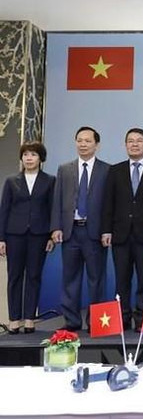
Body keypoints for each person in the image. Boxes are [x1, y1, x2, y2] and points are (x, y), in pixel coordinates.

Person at [101, 128, 143, 331]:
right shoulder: (115, 171)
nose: (134, 144)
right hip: (120, 235)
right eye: (130, 141)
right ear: (125, 145)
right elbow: (108, 204)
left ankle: (142, 319)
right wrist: (106, 231)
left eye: (139, 141)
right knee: (121, 280)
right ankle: (122, 318)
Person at [51, 126, 110, 331]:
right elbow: (57, 200)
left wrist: (107, 230)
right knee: (70, 279)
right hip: (70, 231)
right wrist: (56, 227)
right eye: (79, 140)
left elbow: (109, 205)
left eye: (87, 141)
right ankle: (72, 321)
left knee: (97, 280)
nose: (83, 144)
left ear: (97, 145)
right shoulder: (64, 169)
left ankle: (97, 323)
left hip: (94, 233)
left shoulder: (107, 170)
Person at [0, 142, 55, 334]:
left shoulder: (49, 181)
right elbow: (4, 210)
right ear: (21, 158)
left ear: (41, 158)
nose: (29, 158)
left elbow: (52, 210)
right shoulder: (11, 181)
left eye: (33, 154)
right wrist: (1, 239)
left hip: (39, 236)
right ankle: (14, 319)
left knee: (33, 276)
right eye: (25, 155)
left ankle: (30, 318)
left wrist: (51, 236)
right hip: (14, 235)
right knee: (14, 277)